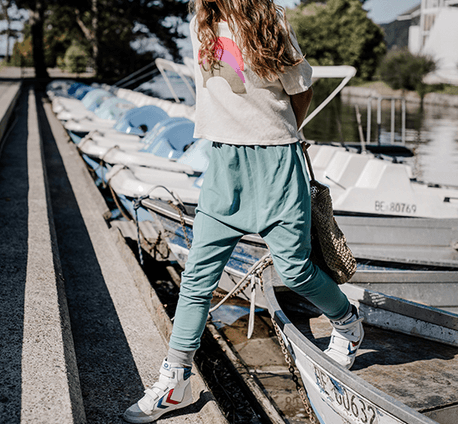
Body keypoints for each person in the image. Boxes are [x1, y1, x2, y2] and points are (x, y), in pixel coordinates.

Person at [123, 0, 364, 422]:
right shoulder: (199, 20)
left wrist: (279, 135)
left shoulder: (271, 19)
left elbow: (301, 91)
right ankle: (175, 379)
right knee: (197, 277)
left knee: (295, 271)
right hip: (223, 165)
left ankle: (347, 322)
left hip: (276, 164)